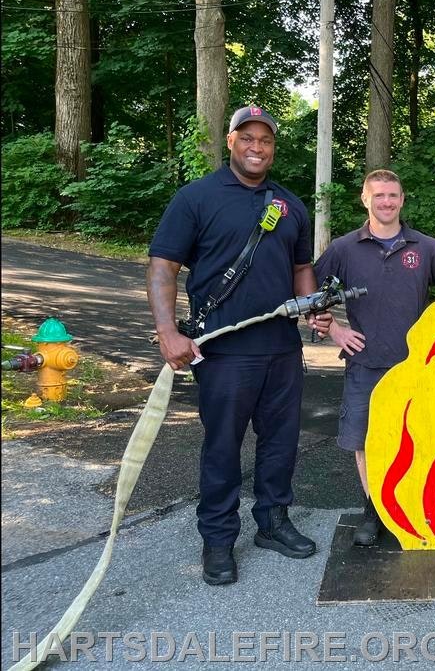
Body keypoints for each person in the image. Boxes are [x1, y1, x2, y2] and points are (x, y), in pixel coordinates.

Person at [147, 105, 333, 586]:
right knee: (223, 448)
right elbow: (163, 267)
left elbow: (299, 270)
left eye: (265, 140)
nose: (257, 147)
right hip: (224, 351)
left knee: (281, 443)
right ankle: (218, 539)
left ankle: (272, 521)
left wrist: (312, 305)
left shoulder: (289, 205)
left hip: (281, 350)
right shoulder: (196, 198)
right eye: (247, 138)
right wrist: (169, 331)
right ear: (230, 141)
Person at [314, 169, 435, 546]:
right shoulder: (343, 248)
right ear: (365, 199)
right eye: (378, 195)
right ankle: (374, 510)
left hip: (416, 366)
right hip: (365, 363)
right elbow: (311, 295)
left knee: (420, 437)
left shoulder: (425, 247)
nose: (386, 202)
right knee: (366, 441)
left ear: (402, 199)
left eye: (393, 195)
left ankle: (415, 505)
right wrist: (335, 330)